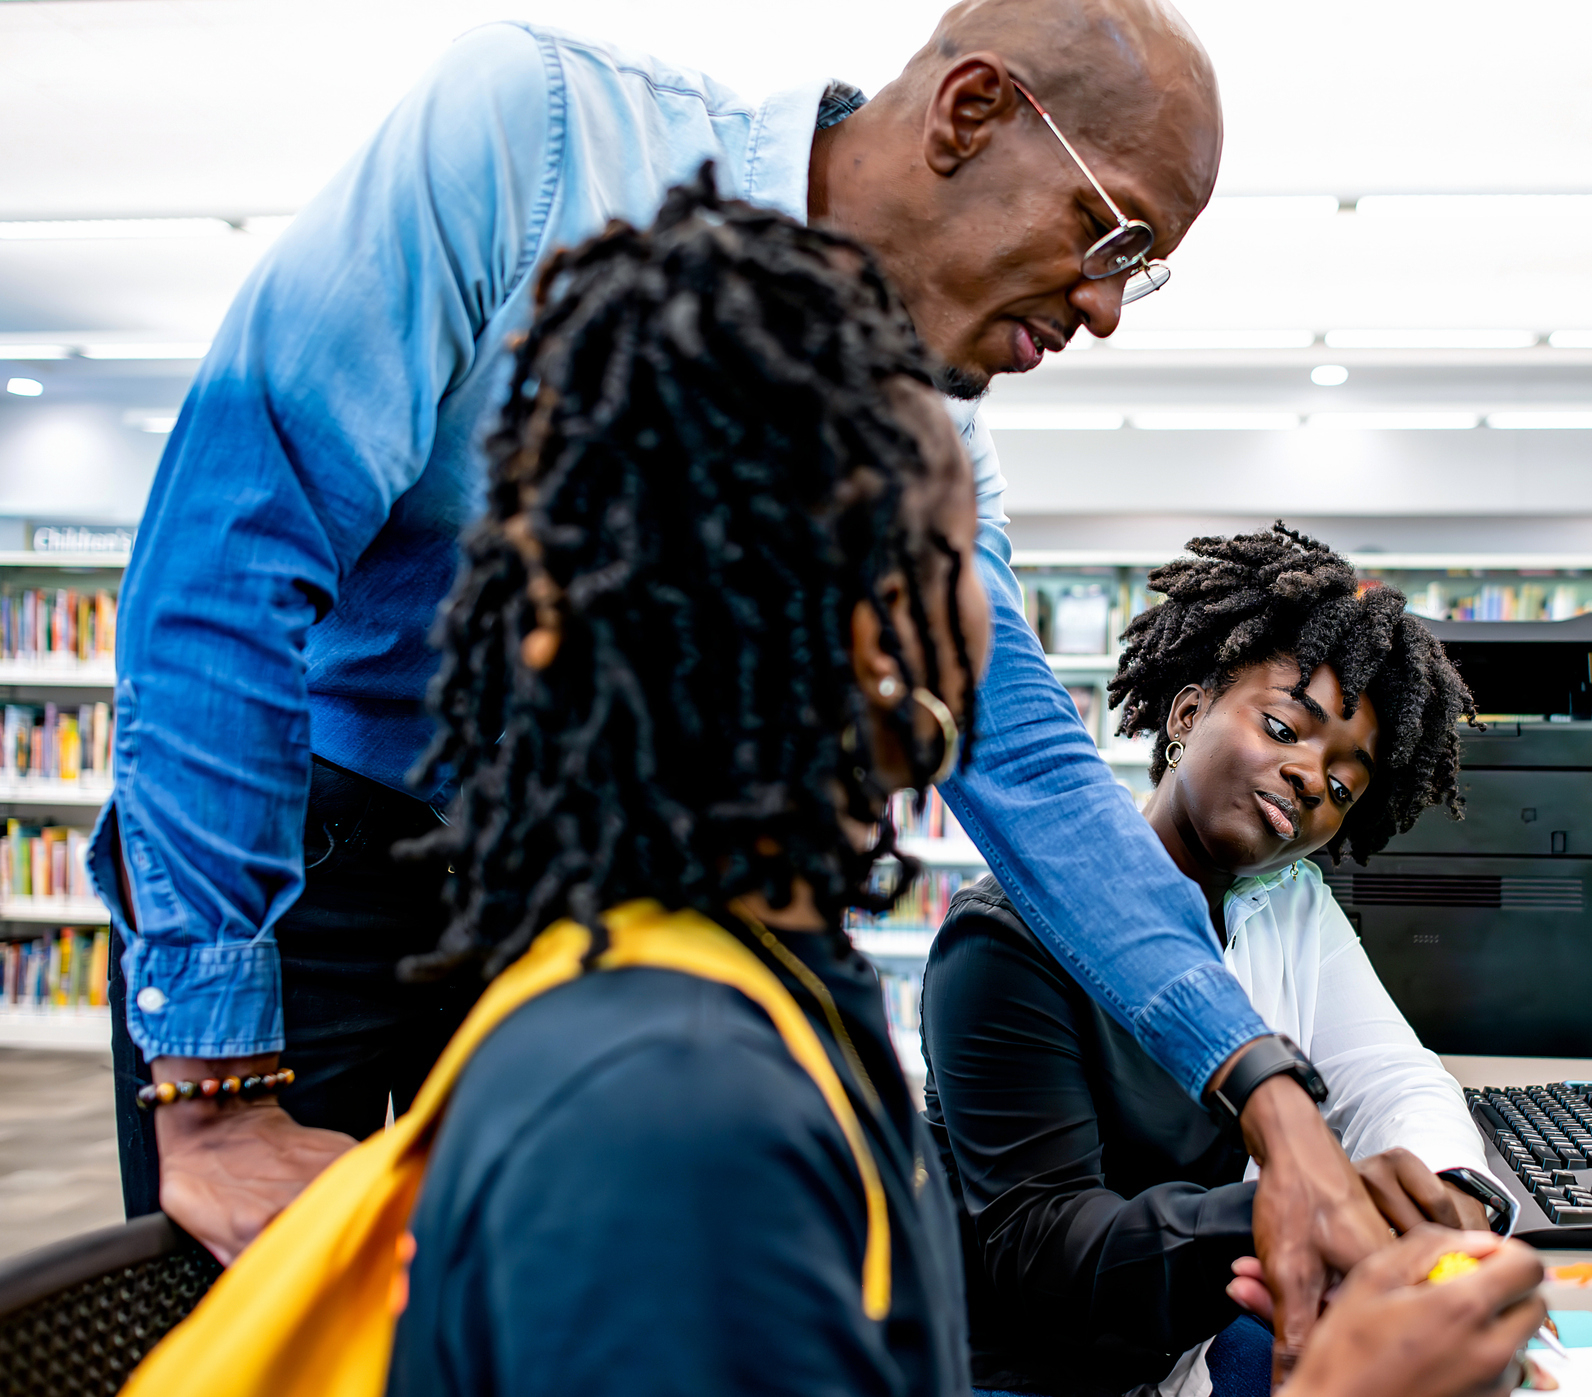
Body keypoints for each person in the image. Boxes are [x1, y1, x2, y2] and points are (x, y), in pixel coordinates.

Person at [91, 0, 1409, 1353]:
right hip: (299, 836)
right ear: (972, 112)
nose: (1106, 309)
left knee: (545, 1328)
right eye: (1110, 234)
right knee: (268, 1317)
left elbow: (1019, 744)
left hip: (571, 887)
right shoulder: (538, 135)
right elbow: (230, 556)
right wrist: (216, 1090)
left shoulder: (935, 420)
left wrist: (1266, 1092)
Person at [925, 525, 1514, 1397]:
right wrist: (1300, 1213)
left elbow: (1391, 1076)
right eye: (1283, 726)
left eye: (1345, 785)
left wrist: (1447, 1193)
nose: (1312, 777)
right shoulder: (1005, 935)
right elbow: (1045, 1251)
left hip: (1179, 1346)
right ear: (1187, 712)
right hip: (1031, 1372)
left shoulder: (1287, 904)